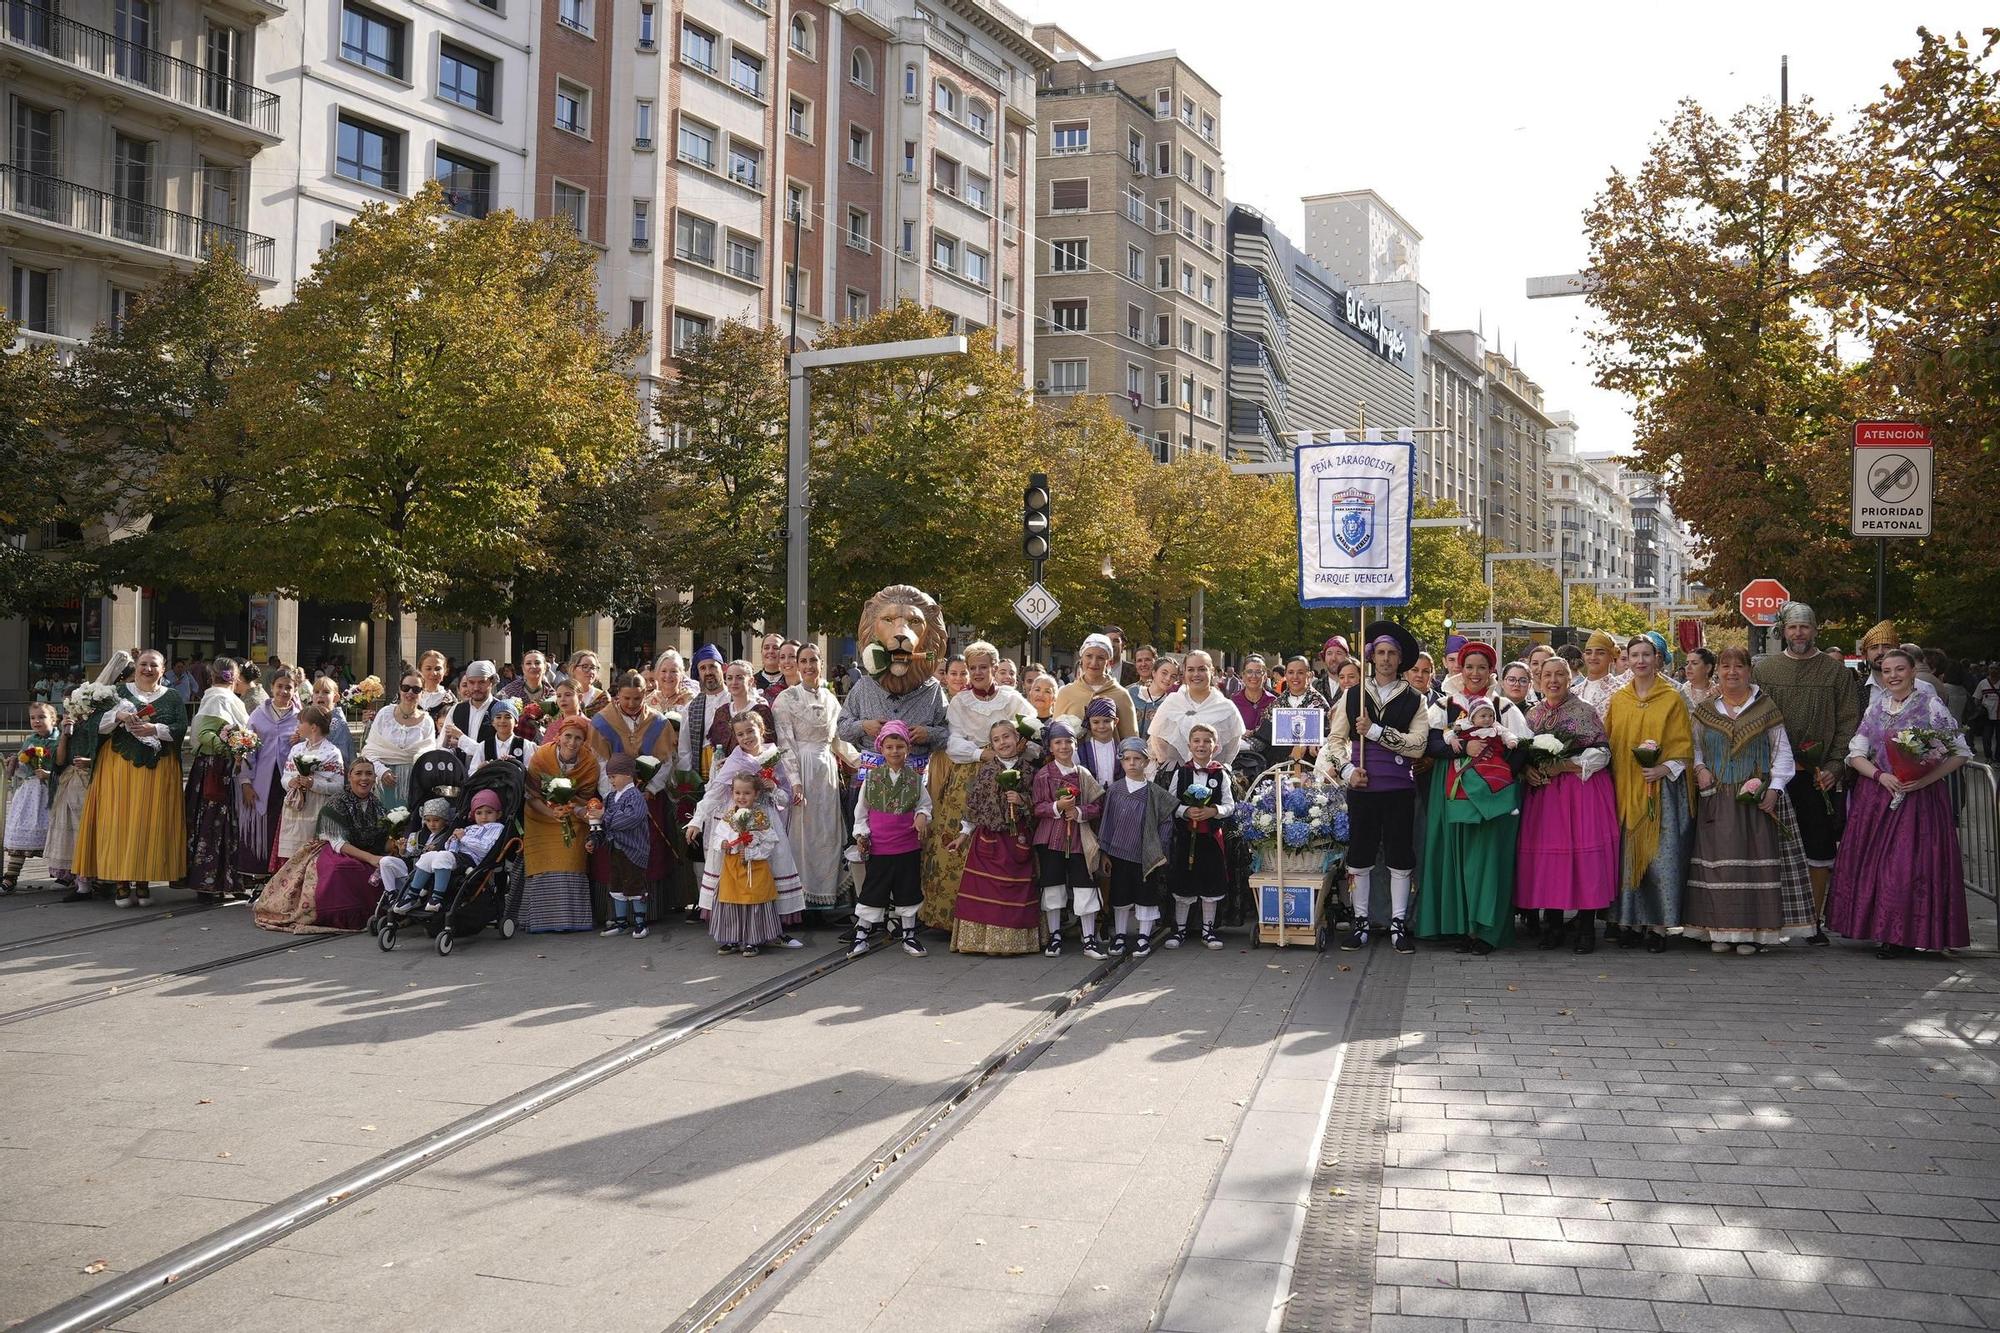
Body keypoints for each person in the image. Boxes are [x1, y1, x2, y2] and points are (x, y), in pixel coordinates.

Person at [1830, 647, 1973, 958]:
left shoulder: (1930, 705)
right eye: (1887, 670)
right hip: (1879, 797)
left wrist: (1924, 780)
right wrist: (1881, 776)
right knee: (1880, 867)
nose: (1893, 675)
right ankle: (1882, 930)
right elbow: (1855, 754)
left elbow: (1960, 752)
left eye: (1899, 669)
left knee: (1910, 867)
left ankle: (1906, 934)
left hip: (1921, 800)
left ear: (1912, 672)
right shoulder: (1876, 709)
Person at [1684, 647, 1817, 954]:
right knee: (1719, 866)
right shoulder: (1705, 710)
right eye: (1726, 666)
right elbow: (1695, 747)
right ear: (1717, 670)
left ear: (1749, 671)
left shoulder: (1766, 708)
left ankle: (1752, 934)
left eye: (1739, 666)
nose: (1732, 672)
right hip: (1717, 797)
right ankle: (1719, 931)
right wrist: (1700, 768)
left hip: (1755, 799)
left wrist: (1776, 788)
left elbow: (1781, 752)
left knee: (1752, 864)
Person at [1752, 602, 1860, 944]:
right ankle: (1770, 918)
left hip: (1817, 777)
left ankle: (1812, 921)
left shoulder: (1836, 674)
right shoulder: (1766, 671)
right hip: (1774, 775)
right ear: (1783, 630)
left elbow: (1848, 723)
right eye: (1793, 627)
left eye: (1805, 627)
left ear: (1815, 630)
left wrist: (1834, 766)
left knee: (1818, 847)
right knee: (1769, 847)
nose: (1799, 633)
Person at [1323, 623, 1429, 954]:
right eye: (1380, 652)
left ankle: (1398, 923)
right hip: (1362, 787)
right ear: (1371, 657)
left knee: (1400, 856)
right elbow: (1335, 741)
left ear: (1400, 660)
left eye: (1391, 653)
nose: (1385, 659)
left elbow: (1418, 745)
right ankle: (1361, 922)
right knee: (1360, 856)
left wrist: (1376, 732)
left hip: (1398, 788)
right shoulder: (1353, 694)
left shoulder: (1415, 699)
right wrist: (1347, 769)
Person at [921, 641, 1034, 932]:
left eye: (984, 667)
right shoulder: (960, 702)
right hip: (969, 775)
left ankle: (1000, 916)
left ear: (995, 668)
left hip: (1007, 769)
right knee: (961, 834)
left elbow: (1032, 726)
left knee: (1004, 840)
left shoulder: (1011, 698)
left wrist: (1017, 744)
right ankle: (956, 917)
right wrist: (980, 754)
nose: (978, 672)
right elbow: (953, 742)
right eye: (973, 668)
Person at [1516, 657, 1619, 953]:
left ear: (1571, 677)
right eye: (1547, 675)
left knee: (1583, 859)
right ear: (1539, 678)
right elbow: (1521, 753)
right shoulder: (1532, 715)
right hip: (1546, 795)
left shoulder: (1584, 711)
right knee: (1551, 860)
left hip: (1581, 792)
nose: (1553, 680)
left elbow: (1602, 754)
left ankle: (1586, 929)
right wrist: (1527, 770)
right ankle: (1553, 925)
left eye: (1560, 674)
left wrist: (1566, 766)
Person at [74, 649, 188, 908]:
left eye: (154, 665)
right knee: (119, 822)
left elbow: (181, 729)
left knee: (150, 823)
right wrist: (118, 716)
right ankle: (121, 881)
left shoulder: (172, 697)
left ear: (163, 669)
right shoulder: (118, 693)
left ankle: (143, 881)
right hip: (118, 767)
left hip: (159, 770)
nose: (148, 669)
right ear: (135, 666)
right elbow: (94, 726)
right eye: (143, 664)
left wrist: (154, 729)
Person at [1606, 633, 1695, 952]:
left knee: (1660, 858)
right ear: (1627, 660)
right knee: (1626, 857)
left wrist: (1663, 768)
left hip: (1661, 788)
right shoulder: (1619, 699)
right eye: (1635, 655)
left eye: (1647, 654)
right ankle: (1629, 921)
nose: (1641, 660)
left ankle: (1659, 924)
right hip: (1624, 787)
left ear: (1658, 659)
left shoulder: (1672, 698)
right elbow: (1610, 740)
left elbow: (1684, 744)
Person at [254, 756, 409, 933]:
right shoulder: (337, 802)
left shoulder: (378, 806)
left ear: (375, 778)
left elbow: (381, 841)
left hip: (367, 853)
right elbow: (338, 843)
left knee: (388, 867)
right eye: (359, 773)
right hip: (335, 850)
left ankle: (380, 911)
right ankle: (335, 916)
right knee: (342, 868)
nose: (364, 778)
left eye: (368, 774)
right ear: (350, 777)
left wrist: (396, 846)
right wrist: (371, 858)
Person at [1416, 700, 1523, 954]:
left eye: (1482, 667)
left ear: (1489, 671)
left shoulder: (1503, 705)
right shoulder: (1445, 704)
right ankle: (1462, 928)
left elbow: (1521, 746)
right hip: (1455, 793)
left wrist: (1501, 773)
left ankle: (1488, 932)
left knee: (1486, 864)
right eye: (1469, 667)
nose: (1475, 673)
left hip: (1492, 793)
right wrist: (1464, 747)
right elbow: (1432, 745)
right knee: (1457, 862)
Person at [948, 718, 1041, 956]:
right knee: (984, 891)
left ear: (1018, 739)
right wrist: (963, 835)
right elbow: (974, 805)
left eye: (1006, 737)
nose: (1003, 743)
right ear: (991, 745)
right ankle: (980, 941)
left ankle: (1014, 942)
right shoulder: (986, 771)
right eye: (996, 740)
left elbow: (1040, 804)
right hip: (988, 840)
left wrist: (1022, 802)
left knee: (1016, 890)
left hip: (1017, 841)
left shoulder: (1030, 771)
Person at [775, 644, 856, 918]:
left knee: (828, 834)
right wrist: (795, 781)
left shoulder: (831, 699)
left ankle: (829, 898)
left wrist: (866, 763)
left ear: (821, 663)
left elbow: (839, 742)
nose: (809, 666)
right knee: (803, 836)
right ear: (797, 666)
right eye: (804, 661)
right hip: (802, 769)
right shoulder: (786, 699)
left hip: (827, 775)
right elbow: (785, 744)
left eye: (814, 660)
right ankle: (801, 904)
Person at [849, 721, 932, 957]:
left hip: (907, 846)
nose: (894, 751)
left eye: (899, 746)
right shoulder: (872, 778)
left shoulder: (915, 780)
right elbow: (861, 811)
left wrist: (922, 816)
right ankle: (862, 935)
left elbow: (925, 805)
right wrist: (861, 834)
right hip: (880, 847)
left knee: (908, 889)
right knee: (873, 889)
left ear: (907, 748)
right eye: (889, 747)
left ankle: (909, 935)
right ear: (881, 749)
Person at [1096, 737, 1177, 956]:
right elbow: (1107, 822)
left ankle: (1143, 936)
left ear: (1147, 761)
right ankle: (1120, 935)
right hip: (1119, 853)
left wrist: (1160, 850)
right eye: (1127, 759)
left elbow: (1166, 823)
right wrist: (1104, 852)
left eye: (1137, 759)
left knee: (1145, 895)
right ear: (1121, 762)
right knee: (1120, 895)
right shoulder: (1114, 791)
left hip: (1146, 855)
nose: (1132, 763)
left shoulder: (1156, 793)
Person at [520, 716, 600, 933]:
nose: (572, 743)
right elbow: (532, 795)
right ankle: (539, 920)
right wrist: (551, 811)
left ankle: (572, 919)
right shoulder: (542, 756)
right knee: (541, 861)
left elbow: (586, 797)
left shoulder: (589, 762)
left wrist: (569, 807)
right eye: (568, 736)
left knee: (570, 855)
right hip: (540, 815)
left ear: (584, 741)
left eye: (578, 738)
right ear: (559, 736)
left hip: (573, 816)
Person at [1031, 719, 1103, 958]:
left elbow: (1097, 805)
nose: (1063, 747)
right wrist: (1057, 806)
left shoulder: (1083, 774)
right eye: (1058, 742)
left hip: (1079, 840)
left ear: (1075, 744)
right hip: (1050, 839)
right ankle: (1055, 936)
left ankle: (1089, 938)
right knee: (1053, 886)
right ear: (1050, 747)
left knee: (1084, 885)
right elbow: (1037, 807)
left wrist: (1080, 812)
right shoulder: (1043, 775)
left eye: (1068, 742)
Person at [184, 657, 253, 902]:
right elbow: (204, 734)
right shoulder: (218, 698)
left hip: (219, 768)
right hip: (217, 768)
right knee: (215, 822)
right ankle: (209, 882)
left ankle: (220, 880)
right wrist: (231, 747)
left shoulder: (216, 696)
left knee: (218, 823)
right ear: (233, 678)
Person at [1163, 721, 1234, 950]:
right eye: (1197, 741)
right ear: (1189, 745)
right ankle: (1180, 929)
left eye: (1207, 741)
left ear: (1215, 746)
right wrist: (1186, 811)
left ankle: (1208, 930)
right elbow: (1171, 801)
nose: (1201, 745)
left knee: (1210, 882)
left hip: (1211, 837)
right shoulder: (1181, 772)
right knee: (1184, 881)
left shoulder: (1221, 774)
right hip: (1186, 837)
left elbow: (1229, 805)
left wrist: (1213, 811)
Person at [702, 774, 786, 957]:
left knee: (753, 900)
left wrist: (751, 852)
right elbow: (718, 836)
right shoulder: (729, 815)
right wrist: (723, 844)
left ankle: (752, 939)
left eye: (746, 793)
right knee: (730, 900)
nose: (742, 797)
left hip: (754, 867)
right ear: (732, 793)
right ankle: (731, 938)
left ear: (755, 794)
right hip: (732, 867)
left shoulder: (759, 817)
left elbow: (770, 841)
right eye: (738, 792)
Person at [236, 669, 300, 889]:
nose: (283, 691)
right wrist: (245, 782)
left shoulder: (301, 717)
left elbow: (311, 749)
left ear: (295, 690)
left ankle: (281, 878)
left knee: (283, 828)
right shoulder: (257, 715)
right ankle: (260, 879)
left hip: (288, 783)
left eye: (288, 687)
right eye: (279, 686)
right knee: (261, 826)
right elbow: (246, 750)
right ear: (271, 687)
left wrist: (301, 740)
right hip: (261, 781)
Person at [273, 704, 346, 869]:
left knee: (312, 858)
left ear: (313, 727)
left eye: (301, 723)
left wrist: (313, 783)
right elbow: (285, 776)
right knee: (292, 857)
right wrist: (290, 782)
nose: (297, 727)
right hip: (294, 809)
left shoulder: (332, 752)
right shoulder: (296, 749)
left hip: (316, 808)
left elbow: (338, 786)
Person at [1148, 651, 1245, 769]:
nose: (1196, 674)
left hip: (1212, 777)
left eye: (1202, 669)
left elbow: (1231, 747)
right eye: (1190, 670)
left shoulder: (1226, 708)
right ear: (1184, 672)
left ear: (1212, 671)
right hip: (1174, 777)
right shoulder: (1172, 703)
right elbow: (1156, 740)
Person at [362, 671, 440, 808]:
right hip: (381, 784)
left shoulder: (427, 721)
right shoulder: (385, 714)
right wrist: (382, 771)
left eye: (416, 689)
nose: (410, 692)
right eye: (406, 688)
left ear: (422, 692)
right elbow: (369, 751)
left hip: (413, 785)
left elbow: (428, 756)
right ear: (399, 689)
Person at [3, 703, 59, 890]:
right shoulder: (30, 741)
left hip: (53, 792)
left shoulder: (60, 740)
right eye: (33, 717)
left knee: (59, 834)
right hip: (30, 792)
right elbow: (23, 769)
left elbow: (66, 766)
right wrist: (15, 764)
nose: (36, 721)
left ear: (53, 719)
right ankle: (11, 876)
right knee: (21, 830)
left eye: (41, 717)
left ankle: (66, 875)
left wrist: (50, 773)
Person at [597, 754, 654, 937]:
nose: (611, 780)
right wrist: (595, 838)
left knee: (635, 886)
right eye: (610, 777)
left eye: (614, 776)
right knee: (617, 885)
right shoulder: (611, 796)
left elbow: (631, 818)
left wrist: (605, 817)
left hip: (634, 850)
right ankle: (620, 922)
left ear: (628, 775)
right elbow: (604, 822)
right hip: (615, 849)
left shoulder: (635, 796)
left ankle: (640, 922)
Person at [1053, 633, 1139, 738]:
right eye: (1089, 656)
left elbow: (1131, 738)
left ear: (1108, 662)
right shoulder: (1066, 693)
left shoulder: (1121, 695)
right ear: (1081, 658)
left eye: (1100, 658)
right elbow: (1054, 735)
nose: (1094, 662)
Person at [681, 645, 730, 778]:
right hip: (702, 773)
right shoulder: (691, 708)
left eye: (712, 666)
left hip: (734, 772)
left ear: (724, 668)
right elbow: (684, 750)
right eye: (703, 668)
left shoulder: (735, 699)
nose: (708, 672)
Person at [462, 697, 535, 771]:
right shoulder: (483, 746)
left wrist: (516, 765)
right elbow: (471, 773)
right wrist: (481, 768)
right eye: (498, 717)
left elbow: (533, 773)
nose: (502, 721)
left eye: (507, 717)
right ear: (493, 722)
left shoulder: (526, 745)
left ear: (516, 722)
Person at [442, 660, 499, 752]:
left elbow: (498, 751)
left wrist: (461, 739)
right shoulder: (457, 709)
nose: (476, 688)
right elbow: (443, 746)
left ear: (491, 682)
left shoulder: (500, 710)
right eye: (471, 682)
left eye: (481, 682)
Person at [1575, 630, 1623, 718]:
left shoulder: (1620, 692)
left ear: (1611, 657)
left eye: (1600, 653)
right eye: (1589, 653)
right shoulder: (1573, 692)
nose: (1593, 657)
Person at [311, 677, 356, 768]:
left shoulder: (338, 722)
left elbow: (343, 749)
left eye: (326, 692)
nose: (320, 695)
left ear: (335, 698)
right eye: (316, 692)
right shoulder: (309, 718)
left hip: (333, 769)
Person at [1129, 653, 1176, 740]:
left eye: (1173, 676)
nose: (1168, 678)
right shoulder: (1132, 693)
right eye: (1164, 673)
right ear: (1154, 672)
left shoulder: (1169, 703)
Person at [1232, 655, 1277, 738]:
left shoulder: (1274, 702)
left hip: (1267, 749)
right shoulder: (1233, 702)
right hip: (1240, 749)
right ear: (1243, 675)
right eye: (1249, 671)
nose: (1254, 676)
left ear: (1265, 676)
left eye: (1258, 672)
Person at [413, 650, 454, 724]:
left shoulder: (451, 701)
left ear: (445, 671)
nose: (433, 673)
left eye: (438, 669)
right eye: (428, 669)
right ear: (419, 670)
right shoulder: (407, 694)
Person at [1974, 661, 2000, 761]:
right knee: (1986, 738)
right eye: (1991, 668)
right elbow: (1976, 699)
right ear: (1988, 670)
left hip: (1999, 716)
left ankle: (1998, 758)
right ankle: (1988, 757)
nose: (1993, 670)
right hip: (1986, 716)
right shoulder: (1983, 683)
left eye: (1996, 668)